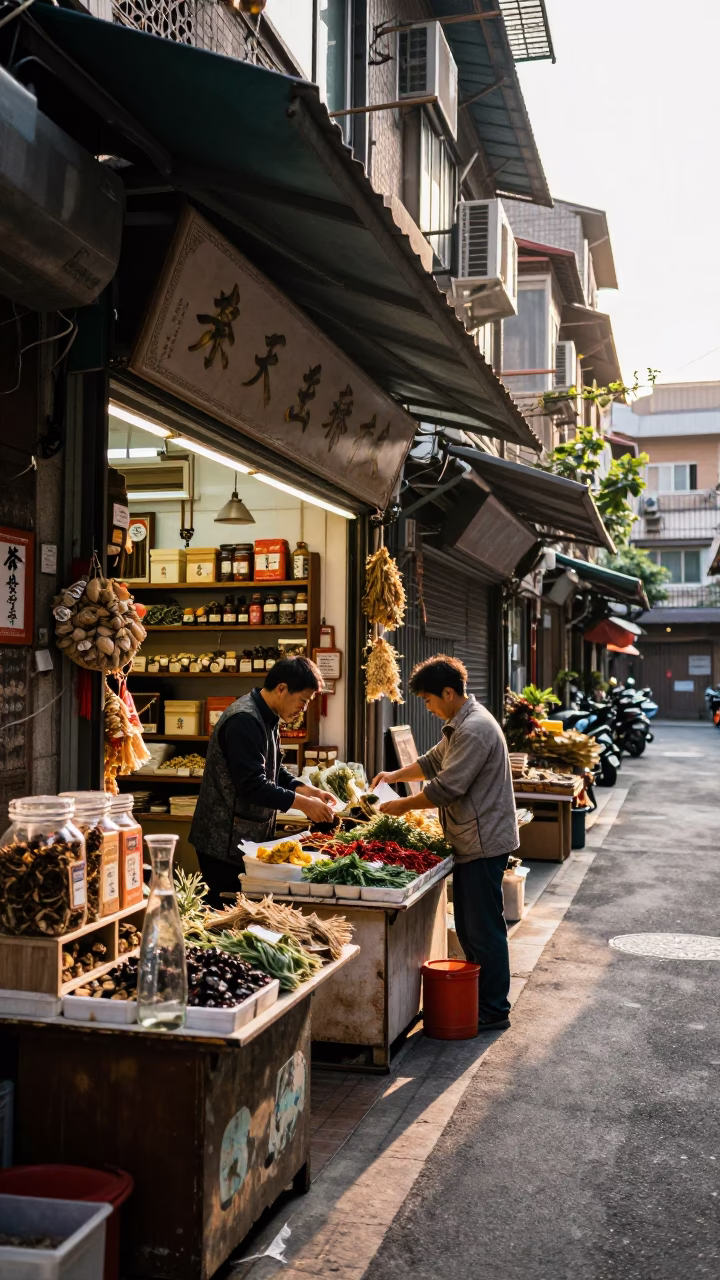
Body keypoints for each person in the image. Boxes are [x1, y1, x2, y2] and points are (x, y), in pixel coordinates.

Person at [372, 655, 519, 1029]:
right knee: (472, 928)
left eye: (428, 700)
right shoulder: (462, 723)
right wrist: (393, 774)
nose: (429, 707)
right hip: (473, 838)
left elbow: (445, 788)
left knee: (483, 928)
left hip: (483, 843)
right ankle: (484, 1002)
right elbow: (431, 762)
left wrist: (401, 806)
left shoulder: (473, 730)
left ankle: (493, 1009)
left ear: (448, 693)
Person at [190, 656, 336, 906]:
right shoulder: (244, 720)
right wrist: (303, 804)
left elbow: (274, 771)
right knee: (226, 916)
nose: (303, 708)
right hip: (222, 843)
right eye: (302, 700)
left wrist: (310, 792)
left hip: (243, 839)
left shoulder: (268, 716)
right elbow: (252, 785)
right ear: (281, 689)